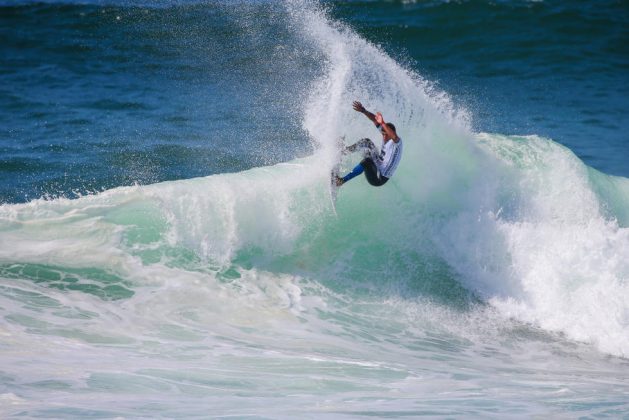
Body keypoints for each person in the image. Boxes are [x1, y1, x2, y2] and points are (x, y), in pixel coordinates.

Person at [336, 101, 403, 187]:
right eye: (383, 133)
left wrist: (383, 122)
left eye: (386, 134)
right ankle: (343, 152)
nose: (384, 136)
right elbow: (375, 120)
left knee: (367, 162)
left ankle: (341, 181)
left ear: (391, 133)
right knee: (366, 142)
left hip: (379, 178)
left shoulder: (397, 143)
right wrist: (363, 110)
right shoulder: (385, 134)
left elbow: (393, 136)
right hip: (377, 163)